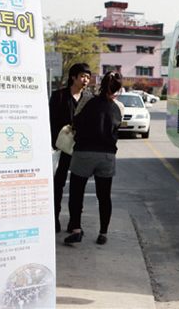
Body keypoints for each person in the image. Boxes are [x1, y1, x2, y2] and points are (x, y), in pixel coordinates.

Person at [64, 71, 124, 245]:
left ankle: (76, 229)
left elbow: (76, 120)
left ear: (100, 83)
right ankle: (103, 233)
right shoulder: (119, 107)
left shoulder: (87, 99)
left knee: (76, 193)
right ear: (118, 88)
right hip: (107, 155)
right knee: (104, 196)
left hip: (84, 152)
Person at [49, 63, 93, 233]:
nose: (85, 80)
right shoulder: (59, 96)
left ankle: (74, 223)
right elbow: (51, 122)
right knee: (57, 185)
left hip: (79, 149)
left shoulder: (88, 98)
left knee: (77, 188)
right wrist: (54, 145)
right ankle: (54, 220)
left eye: (88, 77)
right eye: (82, 76)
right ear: (73, 77)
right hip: (61, 148)